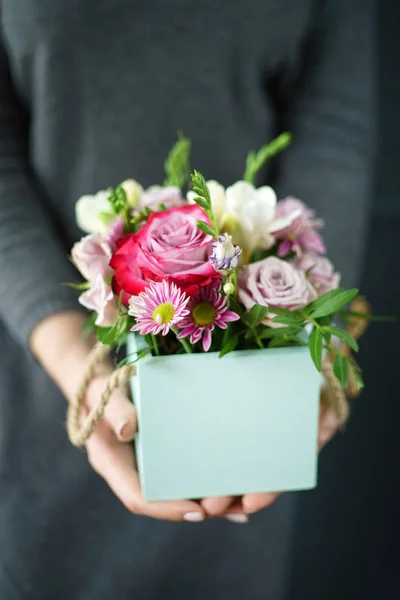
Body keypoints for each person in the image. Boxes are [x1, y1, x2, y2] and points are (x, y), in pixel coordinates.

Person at [0, 1, 374, 599]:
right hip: (49, 357)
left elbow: (334, 126)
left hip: (254, 371)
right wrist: (80, 364)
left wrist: (316, 344)